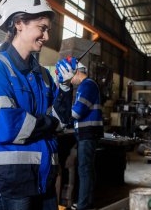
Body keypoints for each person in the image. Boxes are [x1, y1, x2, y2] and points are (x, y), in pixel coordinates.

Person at [0, 0, 71, 210]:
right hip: (8, 182)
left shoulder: (43, 75)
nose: (46, 36)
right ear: (19, 23)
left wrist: (64, 86)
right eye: (41, 28)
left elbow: (63, 121)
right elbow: (8, 126)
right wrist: (49, 123)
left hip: (42, 180)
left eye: (47, 30)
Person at [56, 58, 103, 210]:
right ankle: (87, 202)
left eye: (70, 77)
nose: (71, 81)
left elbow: (77, 112)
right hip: (87, 133)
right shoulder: (87, 85)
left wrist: (61, 120)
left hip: (88, 134)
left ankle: (84, 206)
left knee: (84, 170)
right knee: (87, 169)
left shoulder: (87, 85)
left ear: (75, 72)